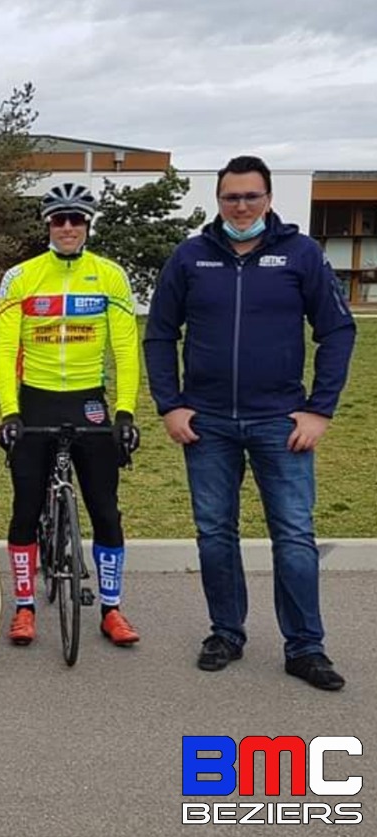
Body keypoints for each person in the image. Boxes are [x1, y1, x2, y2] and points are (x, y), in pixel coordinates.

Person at [145, 155, 356, 691]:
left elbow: (337, 331)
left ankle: (306, 647)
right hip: (207, 423)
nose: (241, 207)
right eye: (231, 198)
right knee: (215, 535)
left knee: (293, 536)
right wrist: (170, 404)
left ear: (268, 198)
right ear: (218, 201)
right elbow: (159, 334)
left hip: (280, 423)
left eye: (251, 197)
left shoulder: (301, 254)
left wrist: (318, 408)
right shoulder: (191, 258)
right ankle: (226, 632)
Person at [0, 182, 142, 649]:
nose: (68, 227)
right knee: (25, 508)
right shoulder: (21, 277)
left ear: (87, 225)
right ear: (48, 226)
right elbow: (4, 348)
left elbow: (124, 346)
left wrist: (124, 412)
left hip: (89, 400)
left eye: (76, 219)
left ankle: (112, 609)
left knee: (104, 509)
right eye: (59, 220)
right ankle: (24, 608)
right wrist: (10, 411)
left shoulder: (111, 276)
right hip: (36, 399)